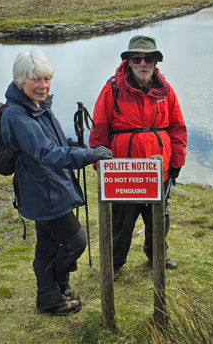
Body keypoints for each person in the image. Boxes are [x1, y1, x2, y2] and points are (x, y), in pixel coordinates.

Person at [0, 49, 113, 316]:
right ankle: (57, 287)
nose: (43, 86)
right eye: (35, 80)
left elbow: (54, 144)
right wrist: (88, 155)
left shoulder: (38, 107)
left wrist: (74, 145)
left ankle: (50, 297)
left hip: (49, 190)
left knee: (48, 246)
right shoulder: (17, 115)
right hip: (42, 194)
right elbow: (45, 153)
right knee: (76, 242)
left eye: (47, 78)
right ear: (19, 82)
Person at [89, 35, 187, 280]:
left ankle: (158, 257)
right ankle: (114, 264)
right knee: (122, 223)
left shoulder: (165, 90)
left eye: (148, 58)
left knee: (159, 219)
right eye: (137, 58)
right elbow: (99, 128)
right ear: (129, 61)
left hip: (159, 171)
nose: (143, 64)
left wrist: (176, 163)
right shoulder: (112, 89)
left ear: (156, 61)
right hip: (124, 174)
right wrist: (99, 163)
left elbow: (177, 128)